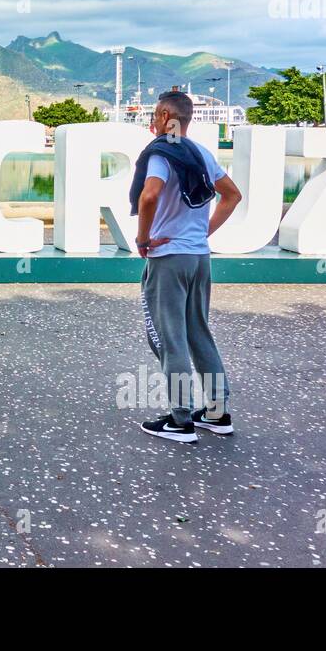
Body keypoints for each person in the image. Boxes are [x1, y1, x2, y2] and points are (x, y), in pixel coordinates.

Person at [130, 90, 243, 444]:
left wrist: (143, 238)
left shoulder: (163, 154)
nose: (152, 119)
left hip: (168, 258)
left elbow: (149, 195)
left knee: (171, 339)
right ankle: (217, 413)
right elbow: (232, 195)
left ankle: (181, 420)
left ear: (165, 115)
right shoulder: (201, 153)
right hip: (198, 256)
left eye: (154, 113)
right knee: (198, 333)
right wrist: (201, 232)